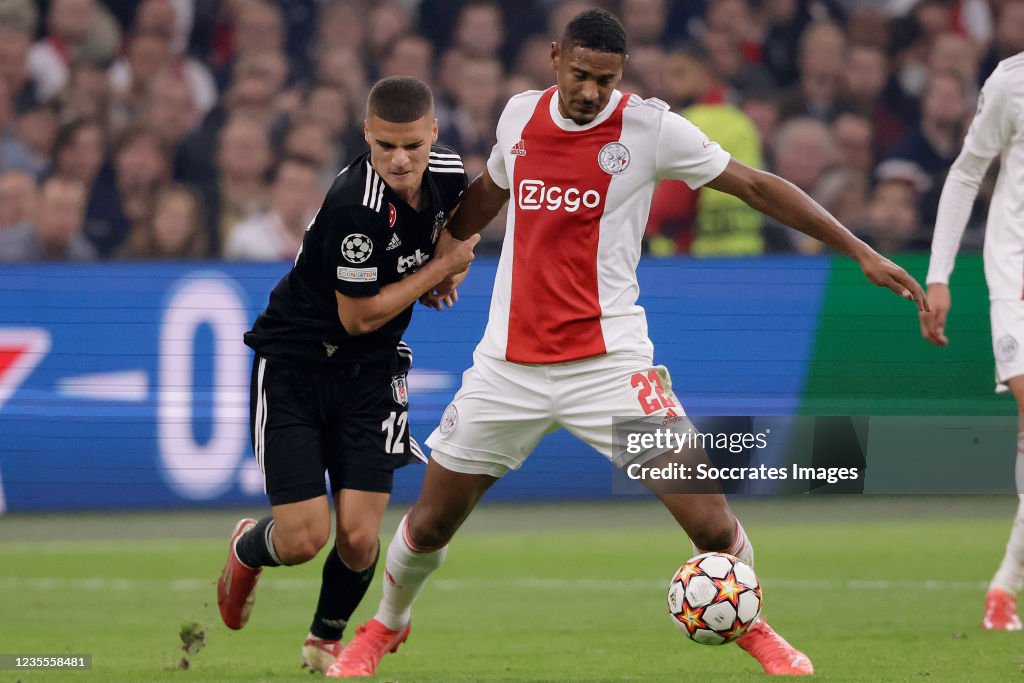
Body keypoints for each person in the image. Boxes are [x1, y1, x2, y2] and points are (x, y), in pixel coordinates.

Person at [330, 10, 927, 679]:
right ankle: (387, 623)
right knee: (432, 521)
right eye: (580, 75)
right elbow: (488, 194)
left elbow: (757, 185)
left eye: (605, 80)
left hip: (610, 369)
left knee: (710, 521)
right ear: (556, 57)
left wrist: (860, 251)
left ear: (623, 73)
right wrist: (444, 254)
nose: (590, 91)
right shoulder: (519, 117)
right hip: (507, 369)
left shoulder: (651, 129)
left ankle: (752, 625)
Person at [215, 75, 478, 674]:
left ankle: (326, 637)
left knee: (360, 539)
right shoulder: (353, 207)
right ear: (366, 136)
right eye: (386, 146)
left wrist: (449, 275)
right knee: (304, 539)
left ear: (433, 133)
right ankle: (247, 548)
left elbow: (461, 232)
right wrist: (436, 269)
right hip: (297, 367)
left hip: (373, 373)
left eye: (412, 144)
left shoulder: (447, 171)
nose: (400, 158)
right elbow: (358, 316)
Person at [920, 51, 1024, 632]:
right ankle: (1003, 592)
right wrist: (940, 274)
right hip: (1018, 279)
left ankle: (1004, 585)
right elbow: (966, 172)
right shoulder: (1012, 83)